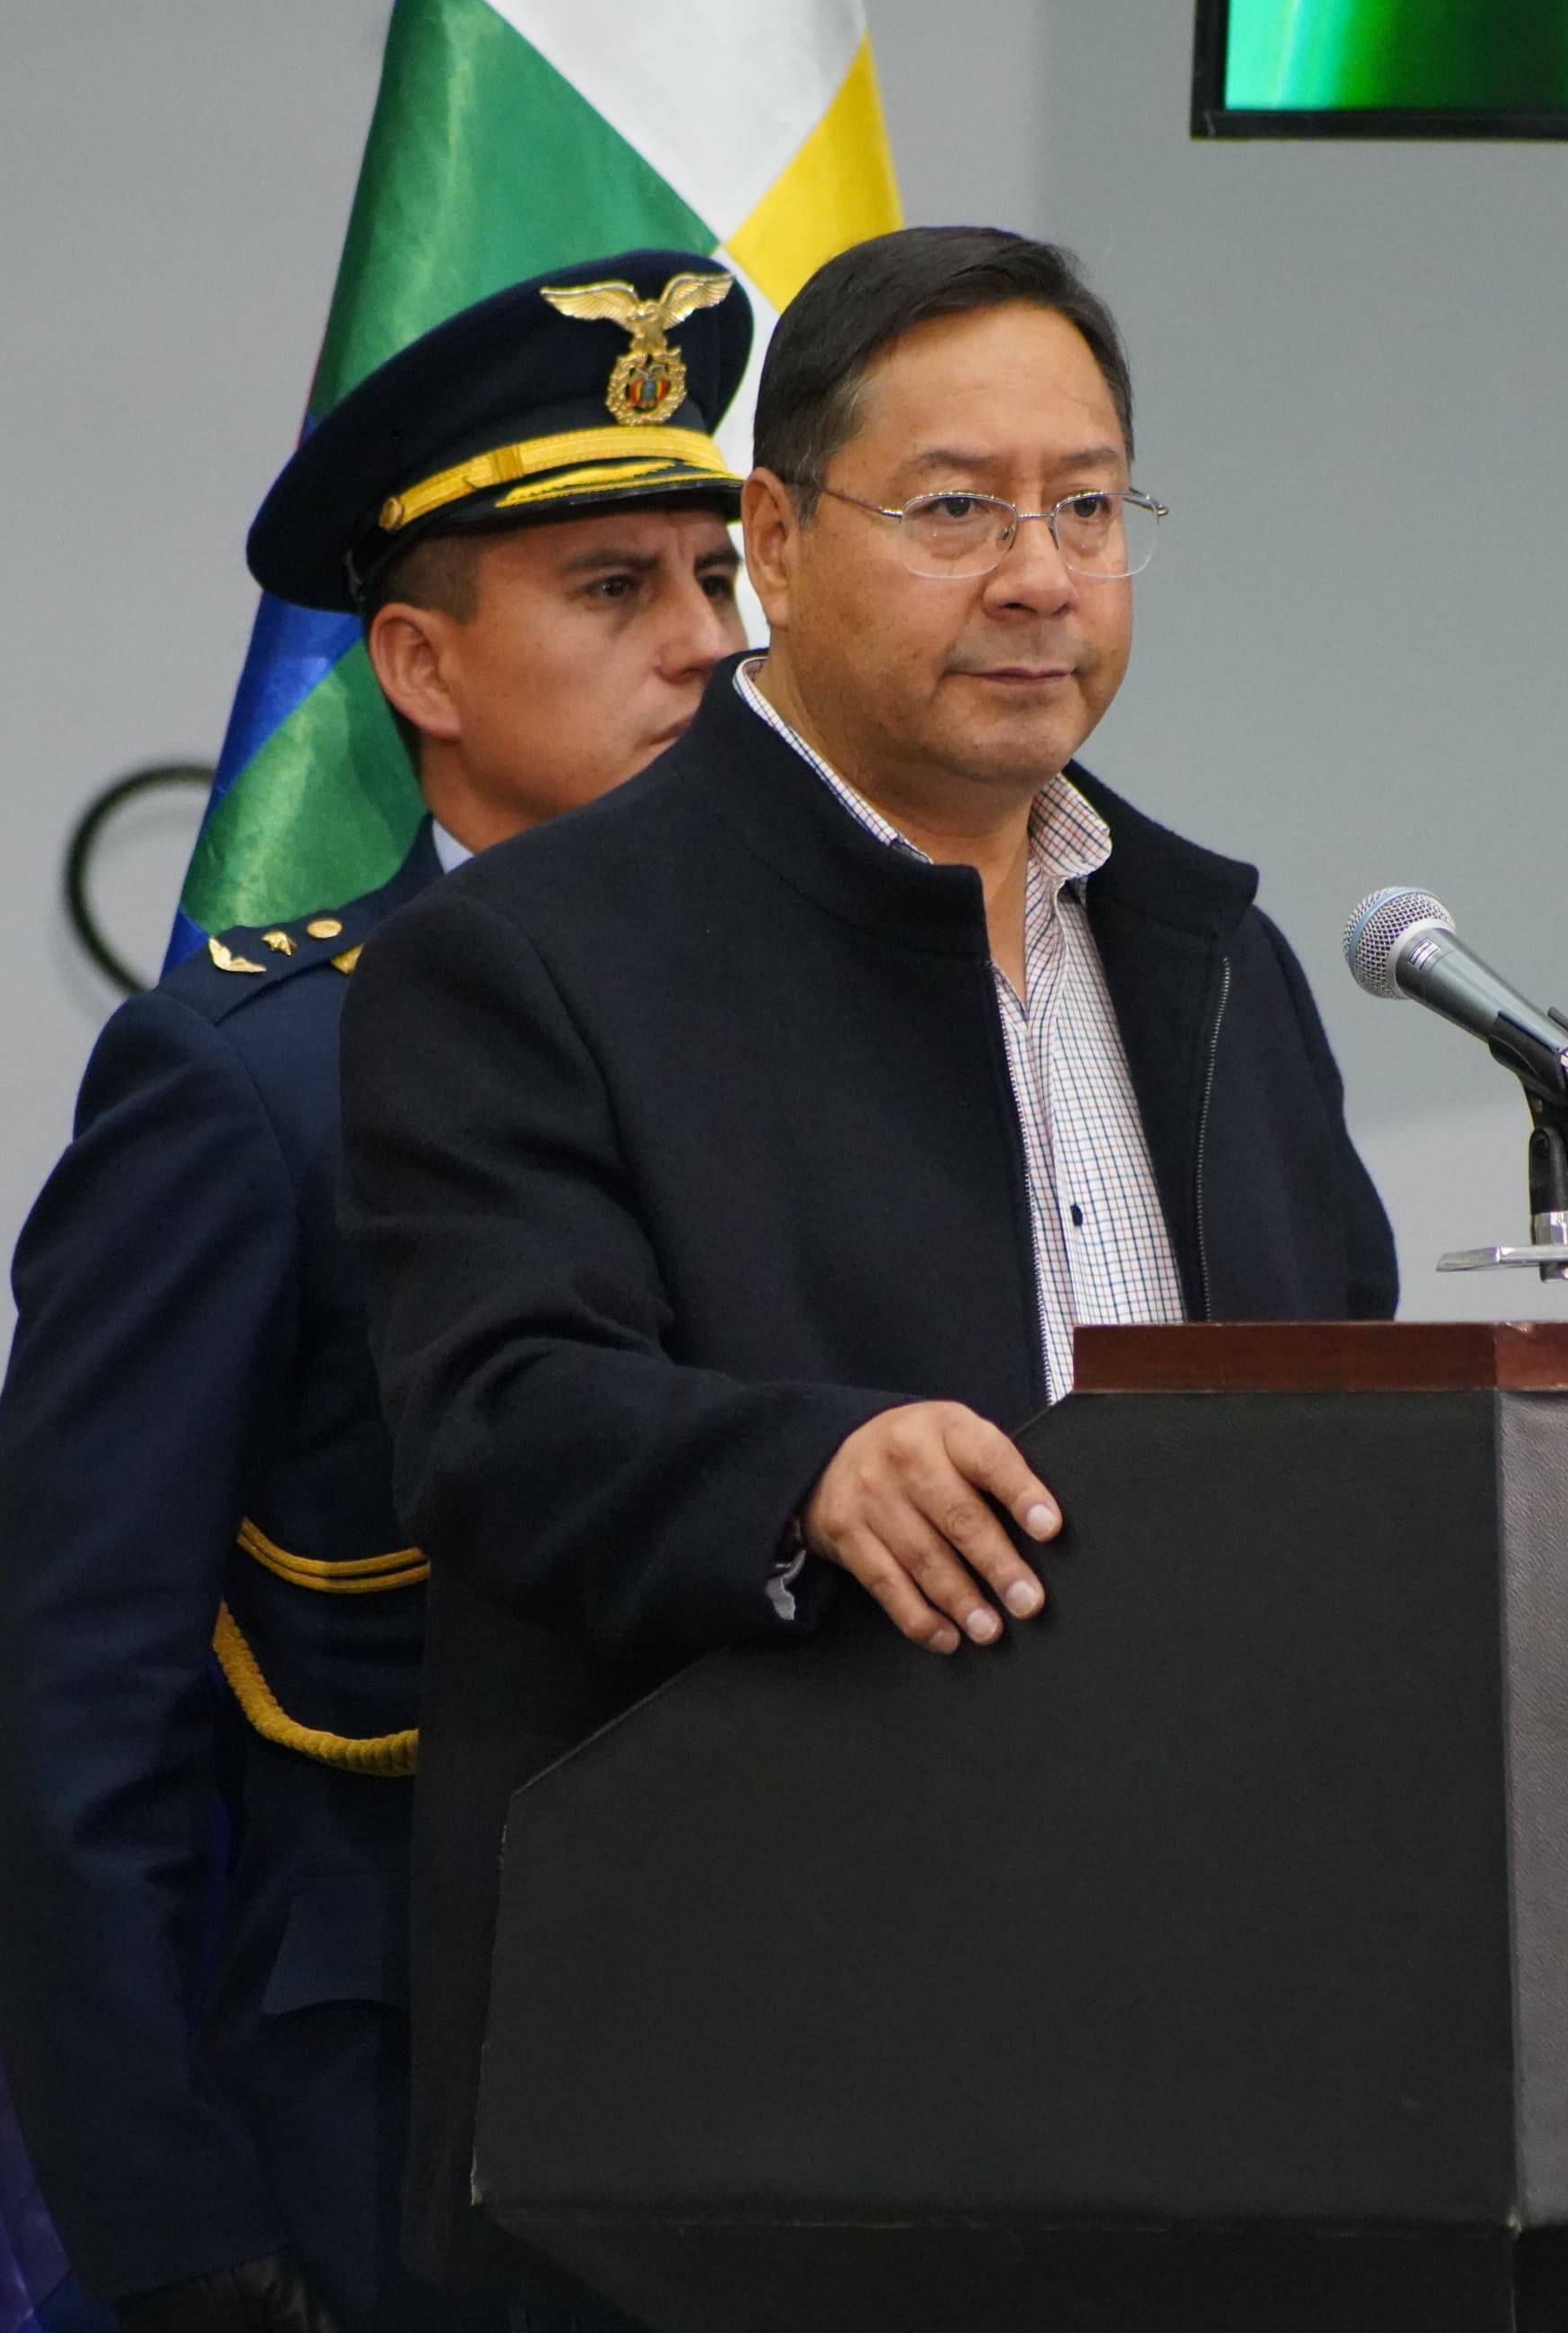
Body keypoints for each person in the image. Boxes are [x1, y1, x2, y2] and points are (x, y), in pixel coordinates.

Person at [339, 225, 1398, 2311]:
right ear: (775, 542)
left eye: (1085, 508)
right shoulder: (529, 959)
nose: (1037, 577)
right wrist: (797, 1472)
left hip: (1205, 2080)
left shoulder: (1214, 964)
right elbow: (494, 1414)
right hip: (738, 2122)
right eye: (954, 511)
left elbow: (1339, 1436)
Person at [0, 250, 756, 2333]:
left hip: (787, 2102)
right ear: (418, 664)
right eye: (612, 590)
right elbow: (74, 1702)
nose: (702, 645)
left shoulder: (831, 1046)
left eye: (715, 580)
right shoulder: (255, 1082)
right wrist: (170, 2228)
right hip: (380, 2133)